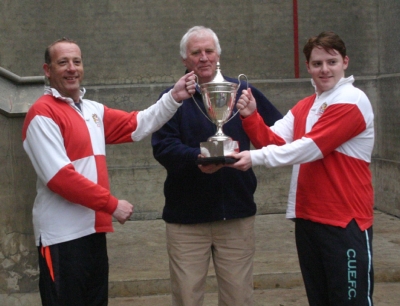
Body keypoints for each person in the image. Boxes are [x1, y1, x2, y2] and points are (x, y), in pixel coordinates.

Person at [22, 37, 196, 306]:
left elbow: (136, 124)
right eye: (62, 62)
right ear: (47, 70)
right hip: (61, 237)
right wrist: (111, 204)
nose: (71, 68)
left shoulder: (92, 111)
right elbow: (61, 179)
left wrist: (173, 98)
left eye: (76, 62)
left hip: (93, 231)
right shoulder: (41, 114)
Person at [230, 31, 375, 305]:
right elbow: (272, 140)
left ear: (345, 62)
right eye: (317, 63)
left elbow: (310, 148)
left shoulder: (352, 100)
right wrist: (251, 116)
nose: (325, 69)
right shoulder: (305, 106)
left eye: (331, 62)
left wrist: (255, 157)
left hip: (345, 220)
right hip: (308, 219)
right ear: (308, 66)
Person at [151, 26, 282, 306]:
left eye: (209, 51)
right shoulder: (172, 98)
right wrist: (196, 158)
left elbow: (279, 135)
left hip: (235, 215)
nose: (203, 58)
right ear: (185, 60)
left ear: (218, 54)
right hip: (186, 219)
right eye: (195, 52)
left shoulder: (244, 92)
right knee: (187, 298)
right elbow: (162, 147)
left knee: (239, 298)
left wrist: (253, 117)